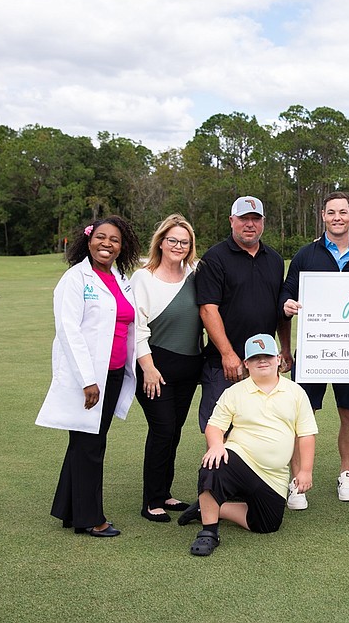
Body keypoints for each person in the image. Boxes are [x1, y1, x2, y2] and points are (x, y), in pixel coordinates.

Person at [36, 216, 140, 537]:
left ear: (123, 247)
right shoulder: (76, 279)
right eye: (101, 237)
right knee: (89, 447)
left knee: (86, 444)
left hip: (114, 375)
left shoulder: (121, 279)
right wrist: (87, 379)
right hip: (90, 380)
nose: (107, 244)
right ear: (88, 239)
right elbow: (69, 331)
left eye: (115, 240)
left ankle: (69, 510)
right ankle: (91, 519)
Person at [178, 333, 318, 557]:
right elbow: (214, 427)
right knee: (213, 464)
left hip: (273, 475)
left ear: (279, 359)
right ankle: (208, 532)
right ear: (246, 364)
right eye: (255, 358)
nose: (262, 361)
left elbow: (306, 434)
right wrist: (216, 445)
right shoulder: (234, 392)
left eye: (267, 356)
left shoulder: (296, 392)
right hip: (240, 459)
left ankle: (209, 508)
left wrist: (305, 470)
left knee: (268, 524)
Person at [280, 192, 349, 508]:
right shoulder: (306, 255)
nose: (337, 217)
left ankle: (345, 474)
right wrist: (286, 304)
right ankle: (297, 481)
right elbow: (287, 292)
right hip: (314, 350)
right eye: (331, 212)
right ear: (323, 215)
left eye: (342, 212)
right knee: (304, 415)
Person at [130, 214, 204, 523]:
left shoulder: (196, 272)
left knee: (173, 430)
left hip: (189, 367)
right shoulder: (142, 277)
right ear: (161, 241)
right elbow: (136, 328)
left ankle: (165, 492)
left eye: (184, 242)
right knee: (161, 429)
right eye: (172, 240)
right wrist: (147, 367)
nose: (178, 246)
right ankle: (151, 501)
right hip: (155, 367)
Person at [194, 196, 291, 432]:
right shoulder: (214, 259)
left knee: (259, 430)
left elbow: (280, 310)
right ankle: (216, 471)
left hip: (263, 362)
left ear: (263, 222)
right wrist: (228, 354)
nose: (250, 224)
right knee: (220, 430)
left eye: (255, 219)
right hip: (225, 365)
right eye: (243, 218)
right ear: (231, 220)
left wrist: (286, 348)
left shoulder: (275, 260)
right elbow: (208, 309)